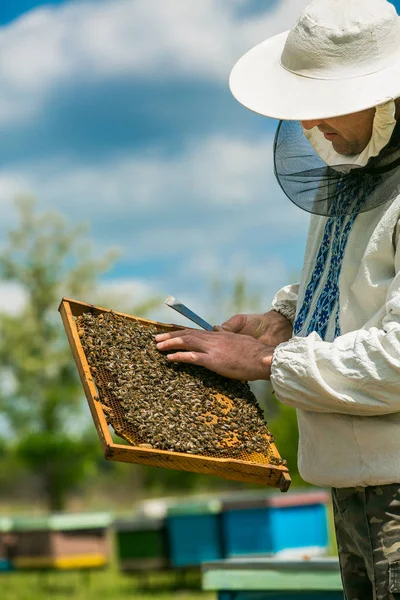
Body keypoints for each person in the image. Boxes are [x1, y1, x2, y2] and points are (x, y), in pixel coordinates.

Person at [155, 0, 400, 598]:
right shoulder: (355, 174)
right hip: (352, 483)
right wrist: (283, 319)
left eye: (324, 105)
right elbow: (349, 280)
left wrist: (266, 363)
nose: (311, 127)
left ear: (384, 94)